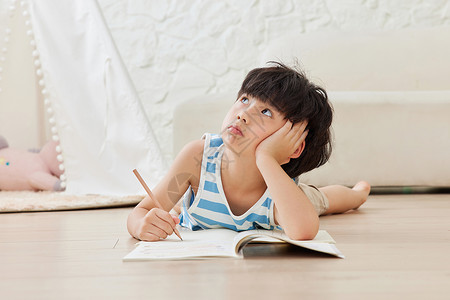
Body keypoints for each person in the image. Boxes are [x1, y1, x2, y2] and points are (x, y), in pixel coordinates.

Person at [127, 62, 370, 241]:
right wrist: (140, 226)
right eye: (244, 99)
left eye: (266, 112)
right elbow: (142, 211)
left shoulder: (280, 193)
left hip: (290, 191)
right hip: (205, 203)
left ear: (294, 146)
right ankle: (186, 206)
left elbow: (303, 231)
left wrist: (266, 158)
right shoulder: (198, 158)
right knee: (178, 204)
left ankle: (357, 194)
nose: (244, 113)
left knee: (322, 199)